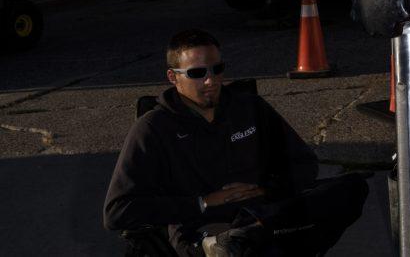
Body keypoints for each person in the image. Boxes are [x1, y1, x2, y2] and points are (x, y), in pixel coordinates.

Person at [103, 30, 367, 256]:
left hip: (262, 212)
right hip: (202, 225)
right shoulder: (153, 128)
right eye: (197, 73)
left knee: (352, 188)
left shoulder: (248, 108)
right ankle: (224, 243)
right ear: (173, 77)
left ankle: (253, 234)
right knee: (233, 245)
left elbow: (304, 163)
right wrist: (203, 202)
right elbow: (117, 212)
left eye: (217, 69)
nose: (211, 81)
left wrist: (267, 190)